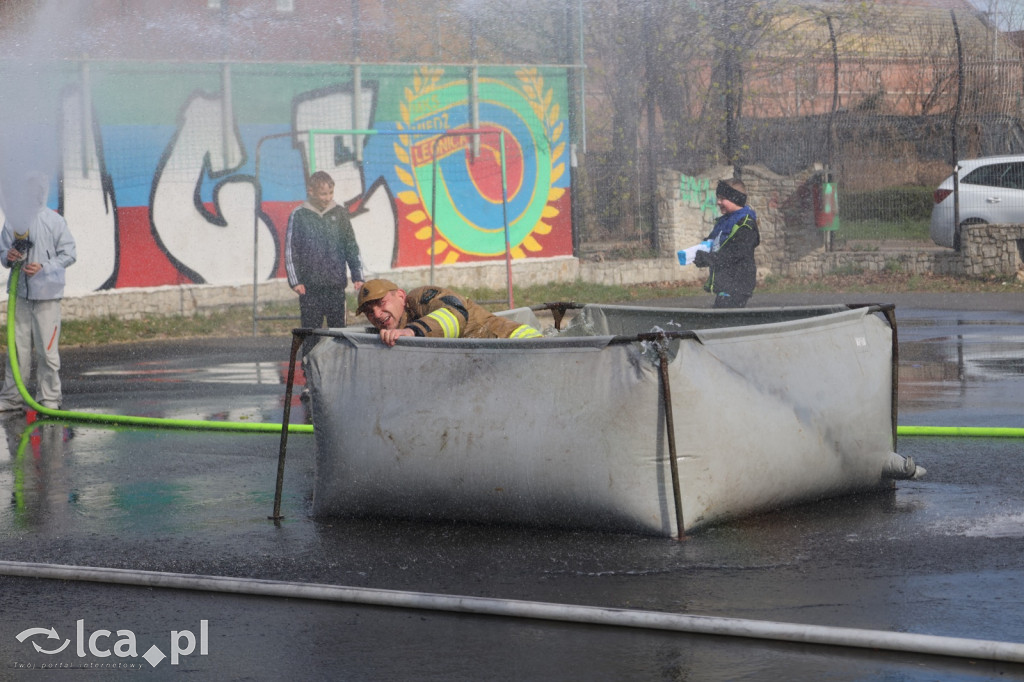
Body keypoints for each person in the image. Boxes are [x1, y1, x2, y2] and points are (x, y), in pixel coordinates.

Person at [0, 171, 77, 411]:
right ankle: (12, 398)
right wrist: (8, 256)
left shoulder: (54, 221)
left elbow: (70, 254)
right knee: (17, 350)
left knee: (47, 351)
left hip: (47, 297)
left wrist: (44, 267)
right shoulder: (13, 222)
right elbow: (3, 253)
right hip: (20, 296)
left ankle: (50, 399)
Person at [285, 170, 365, 358]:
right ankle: (309, 378)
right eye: (323, 194)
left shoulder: (340, 213)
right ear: (311, 191)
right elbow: (291, 250)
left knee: (339, 333)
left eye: (330, 193)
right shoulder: (299, 215)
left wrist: (357, 276)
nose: (327, 198)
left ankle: (340, 375)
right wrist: (295, 281)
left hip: (335, 286)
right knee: (311, 334)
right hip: (310, 288)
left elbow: (351, 245)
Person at [356, 279, 542, 347]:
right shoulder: (396, 328)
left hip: (523, 346)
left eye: (381, 303)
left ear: (401, 296)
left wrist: (412, 332)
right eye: (369, 311)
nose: (377, 314)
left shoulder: (420, 298)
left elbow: (456, 313)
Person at [693, 178, 760, 309]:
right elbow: (713, 242)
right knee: (721, 318)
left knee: (725, 320)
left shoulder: (746, 224)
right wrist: (700, 253)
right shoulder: (724, 222)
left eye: (722, 198)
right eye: (718, 198)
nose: (718, 202)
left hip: (737, 283)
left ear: (735, 199)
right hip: (725, 283)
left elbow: (736, 254)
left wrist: (709, 258)